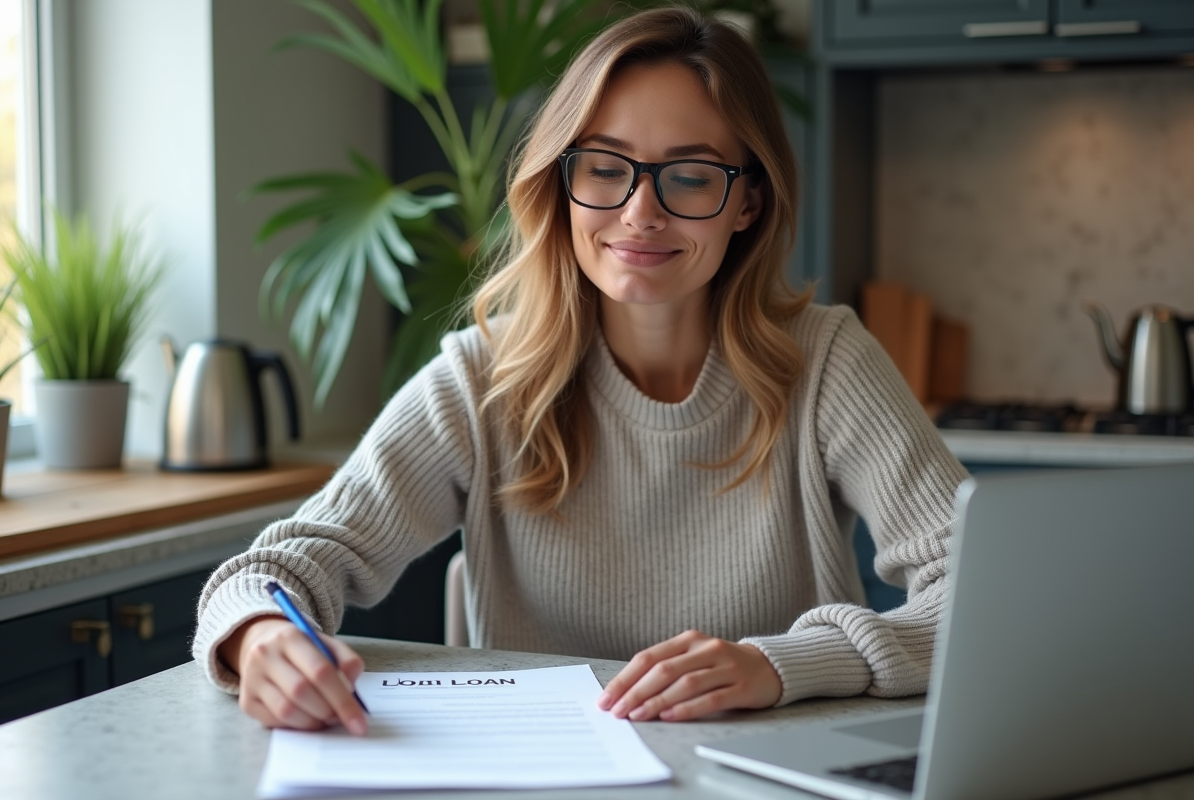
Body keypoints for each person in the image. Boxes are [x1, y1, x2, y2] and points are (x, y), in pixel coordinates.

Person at [193, 7, 968, 737]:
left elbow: (978, 596)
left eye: (691, 176)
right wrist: (259, 635)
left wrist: (779, 663)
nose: (639, 212)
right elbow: (282, 565)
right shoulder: (481, 377)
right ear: (561, 183)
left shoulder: (827, 362)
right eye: (605, 167)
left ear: (748, 204)